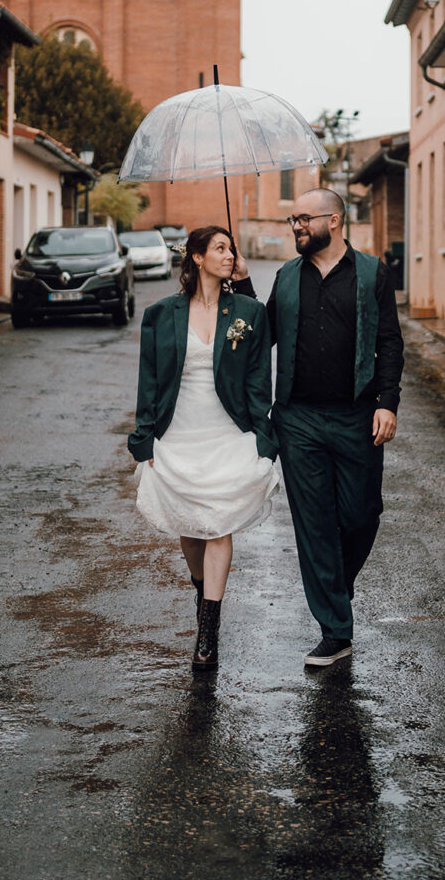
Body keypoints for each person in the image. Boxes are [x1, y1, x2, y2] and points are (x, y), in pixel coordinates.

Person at [234, 188, 403, 668]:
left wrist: (387, 403)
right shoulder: (287, 276)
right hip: (298, 419)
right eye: (292, 220)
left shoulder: (372, 273)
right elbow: (261, 335)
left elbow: (389, 343)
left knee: (361, 514)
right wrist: (244, 286)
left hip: (357, 415)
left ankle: (336, 586)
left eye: (304, 219)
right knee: (314, 526)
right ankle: (335, 629)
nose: (296, 227)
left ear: (335, 219)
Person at [128, 225, 279, 670]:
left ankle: (207, 631)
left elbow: (258, 379)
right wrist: (144, 435)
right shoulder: (161, 315)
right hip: (179, 434)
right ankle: (202, 589)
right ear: (195, 257)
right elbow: (149, 382)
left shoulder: (247, 312)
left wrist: (262, 436)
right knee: (191, 529)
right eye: (219, 248)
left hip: (228, 434)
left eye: (231, 249)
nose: (228, 255)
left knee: (218, 526)